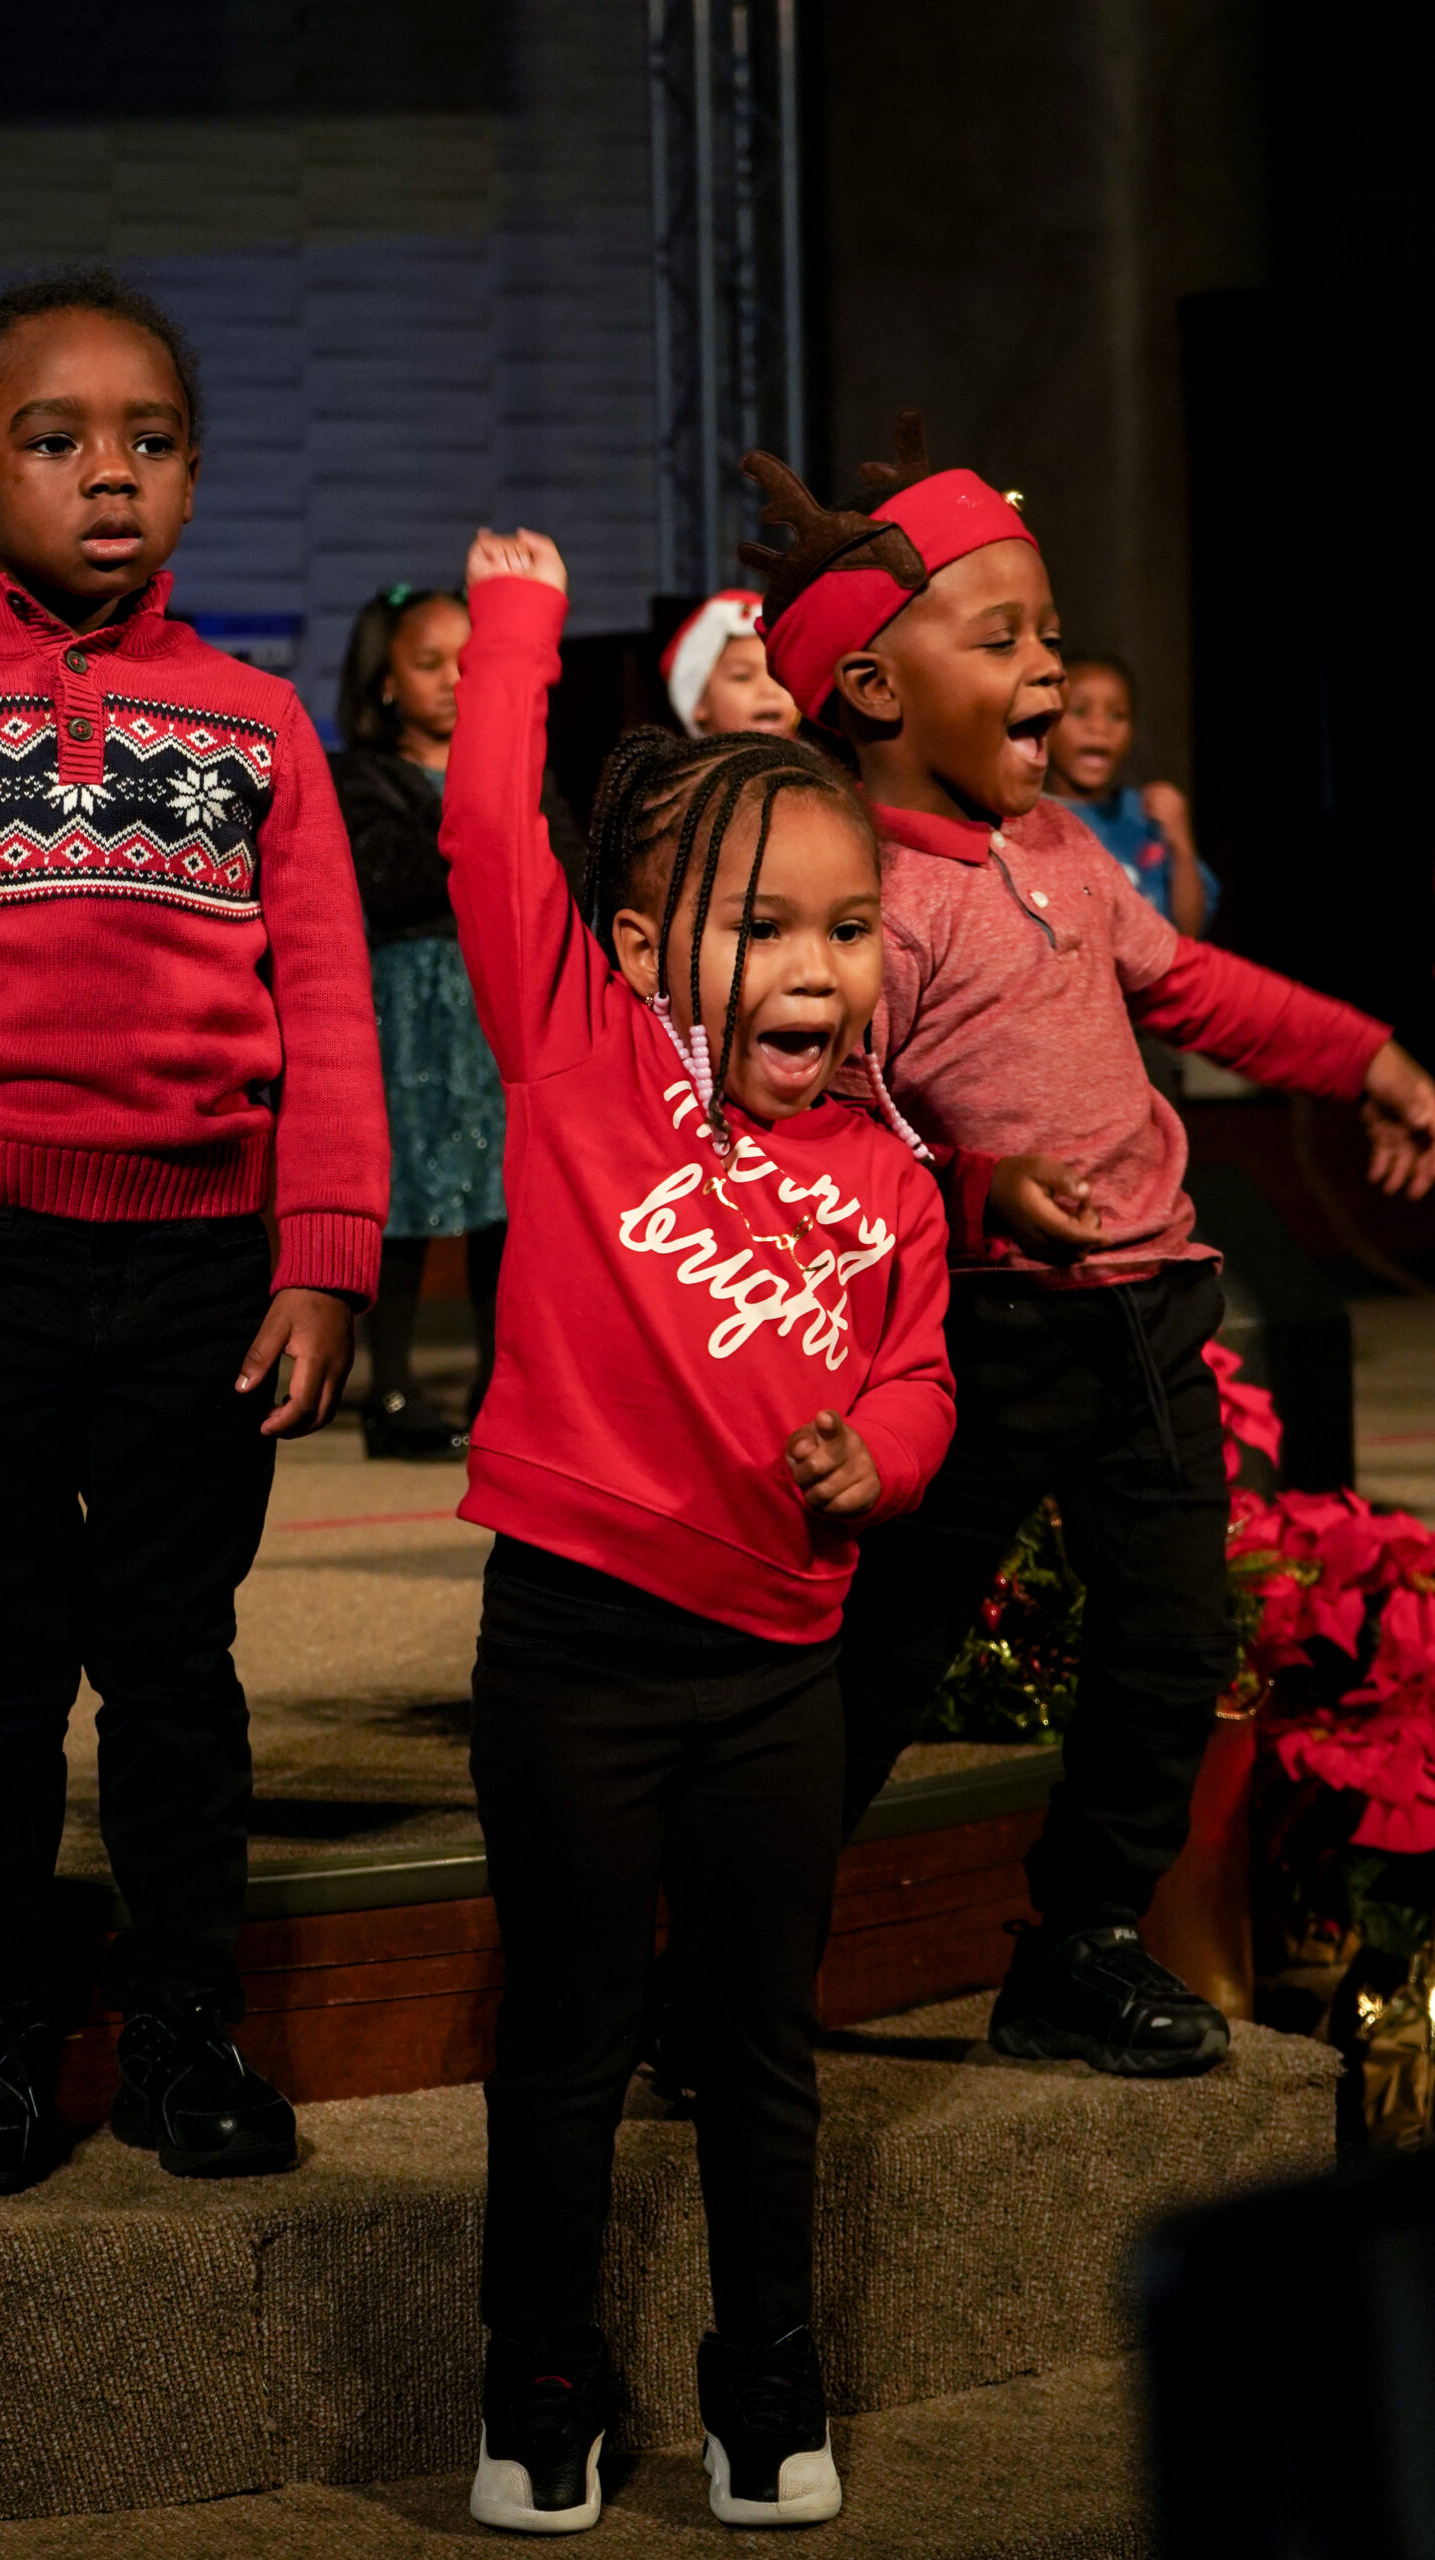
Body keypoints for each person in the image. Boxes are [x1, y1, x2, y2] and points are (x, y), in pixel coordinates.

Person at [0, 270, 388, 2196]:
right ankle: (3, 2030)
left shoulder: (260, 722)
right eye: (54, 441)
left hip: (202, 1264)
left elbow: (330, 1004)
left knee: (177, 1657)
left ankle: (189, 2019)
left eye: (150, 439)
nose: (108, 474)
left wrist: (324, 1247)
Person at [739, 415, 1435, 2082]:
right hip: (980, 1337)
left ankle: (1078, 1942)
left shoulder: (1062, 854)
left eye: (1047, 635)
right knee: (885, 1656)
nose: (1046, 665)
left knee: (1171, 1641)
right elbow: (829, 1124)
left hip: (1149, 1316)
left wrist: (1364, 1056)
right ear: (876, 694)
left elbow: (1201, 992)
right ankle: (735, 1965)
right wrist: (980, 1192)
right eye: (1004, 640)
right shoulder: (865, 900)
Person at [439, 527, 956, 2532]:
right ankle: (539, 2382)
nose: (814, 968)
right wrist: (510, 628)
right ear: (646, 948)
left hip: (772, 1667)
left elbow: (918, 1379)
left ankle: (765, 2379)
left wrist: (878, 1467)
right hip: (571, 1646)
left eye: (846, 927)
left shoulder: (895, 1180)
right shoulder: (580, 1062)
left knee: (756, 2049)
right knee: (564, 2036)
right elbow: (491, 835)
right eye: (760, 928)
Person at [332, 586, 583, 1455]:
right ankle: (390, 1390)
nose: (452, 681)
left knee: (502, 1201)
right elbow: (390, 878)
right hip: (408, 1013)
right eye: (428, 663)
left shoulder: (525, 771)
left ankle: (496, 1382)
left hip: (501, 1000)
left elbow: (566, 870)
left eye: (469, 664)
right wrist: (480, 820)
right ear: (388, 682)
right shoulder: (358, 778)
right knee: (405, 1200)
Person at [1047, 653, 1216, 937]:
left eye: (1117, 715)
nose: (1099, 727)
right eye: (1078, 711)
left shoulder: (1147, 815)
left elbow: (1190, 931)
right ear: (1047, 723)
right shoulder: (1027, 817)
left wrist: (1180, 842)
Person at [660, 589, 800, 737]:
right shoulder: (693, 761)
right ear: (699, 702)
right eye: (742, 677)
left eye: (779, 678)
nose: (769, 691)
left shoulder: (815, 758)